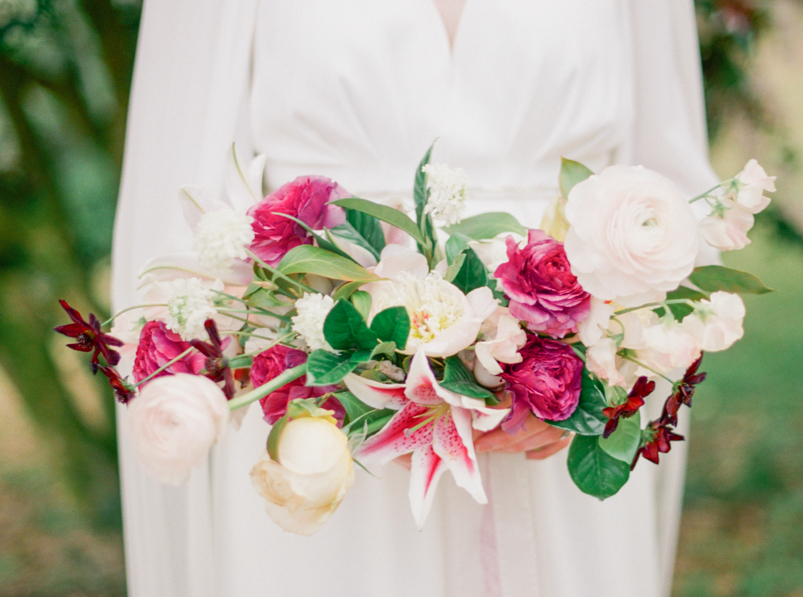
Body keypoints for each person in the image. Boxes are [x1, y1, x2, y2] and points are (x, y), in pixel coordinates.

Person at [111, 1, 720, 595]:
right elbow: (178, 215)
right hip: (324, 439)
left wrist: (588, 376)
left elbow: (680, 209)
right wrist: (329, 359)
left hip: (558, 445)